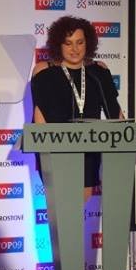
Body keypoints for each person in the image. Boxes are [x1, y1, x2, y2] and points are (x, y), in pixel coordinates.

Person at [30, 16, 123, 192]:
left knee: (79, 203)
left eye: (80, 42)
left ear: (88, 43)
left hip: (89, 148)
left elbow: (115, 112)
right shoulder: (44, 71)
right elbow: (39, 114)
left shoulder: (99, 71)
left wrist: (125, 139)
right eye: (68, 43)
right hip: (55, 149)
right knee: (60, 202)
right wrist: (44, 151)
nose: (75, 49)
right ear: (59, 44)